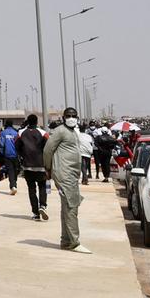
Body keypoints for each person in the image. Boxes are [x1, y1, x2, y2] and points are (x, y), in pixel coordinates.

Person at [44, 107, 91, 253]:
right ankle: (74, 242)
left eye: (74, 116)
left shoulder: (72, 132)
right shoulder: (60, 131)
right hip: (64, 175)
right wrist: (48, 168)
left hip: (71, 174)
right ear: (64, 117)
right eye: (68, 116)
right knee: (71, 207)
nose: (71, 118)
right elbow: (48, 150)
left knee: (67, 207)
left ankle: (66, 241)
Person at [0, 120, 19, 195]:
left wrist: (1, 152)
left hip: (7, 154)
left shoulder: (3, 133)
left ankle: (13, 186)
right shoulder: (16, 133)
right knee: (15, 170)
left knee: (10, 171)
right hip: (15, 154)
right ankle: (14, 184)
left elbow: (2, 144)